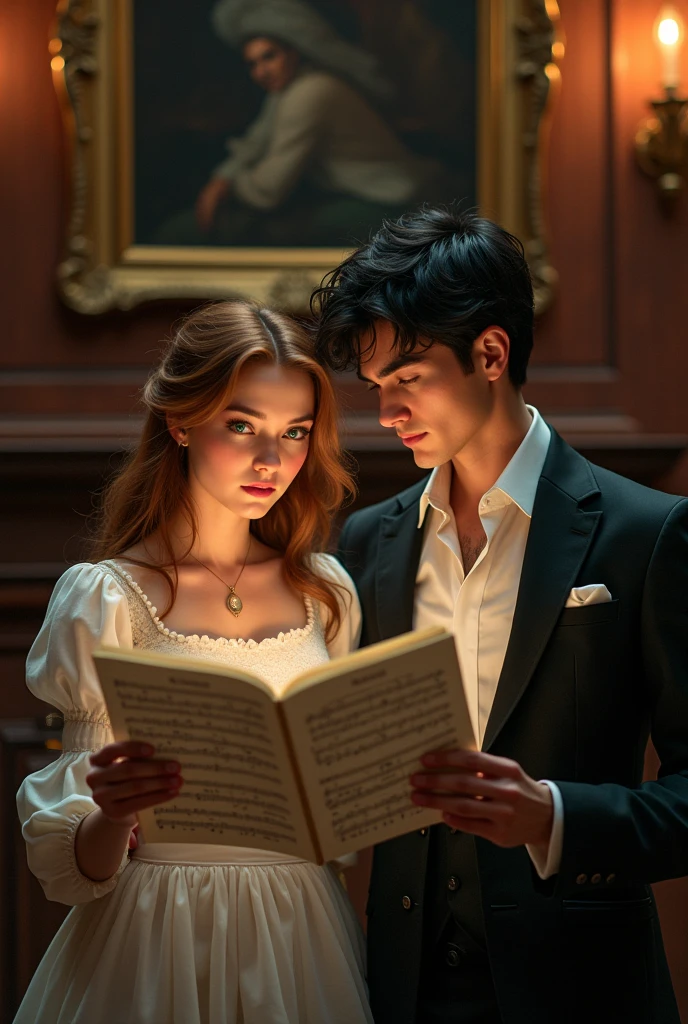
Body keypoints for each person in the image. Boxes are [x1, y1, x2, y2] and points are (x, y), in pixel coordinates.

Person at [313, 205, 688, 1024]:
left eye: (407, 380)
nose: (386, 413)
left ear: (490, 352)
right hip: (400, 989)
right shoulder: (370, 542)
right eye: (376, 387)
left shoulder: (646, 534)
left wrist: (551, 815)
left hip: (585, 993)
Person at [15, 300, 373, 1024]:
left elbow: (343, 826)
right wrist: (114, 814)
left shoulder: (327, 591)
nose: (271, 460)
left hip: (298, 928)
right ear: (181, 421)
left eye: (295, 433)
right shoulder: (107, 599)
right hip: (155, 929)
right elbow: (69, 868)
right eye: (241, 426)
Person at [156, 0, 452, 248]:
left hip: (389, 202)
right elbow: (255, 143)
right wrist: (221, 178)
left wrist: (229, 187)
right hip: (354, 195)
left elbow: (268, 192)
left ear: (293, 52)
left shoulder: (311, 92)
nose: (261, 72)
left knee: (261, 231)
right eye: (252, 64)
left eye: (268, 57)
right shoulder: (288, 90)